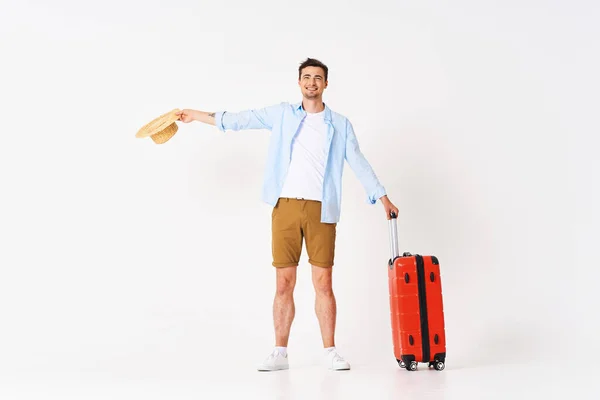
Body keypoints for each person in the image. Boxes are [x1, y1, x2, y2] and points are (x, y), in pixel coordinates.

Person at [175, 58, 399, 372]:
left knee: (323, 283)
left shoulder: (340, 124)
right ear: (299, 82)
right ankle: (280, 352)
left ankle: (330, 350)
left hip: (323, 208)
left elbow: (358, 161)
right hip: (286, 206)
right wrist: (196, 115)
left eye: (317, 78)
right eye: (306, 77)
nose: (311, 83)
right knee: (284, 283)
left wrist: (382, 197)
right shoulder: (281, 114)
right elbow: (240, 120)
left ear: (325, 84)